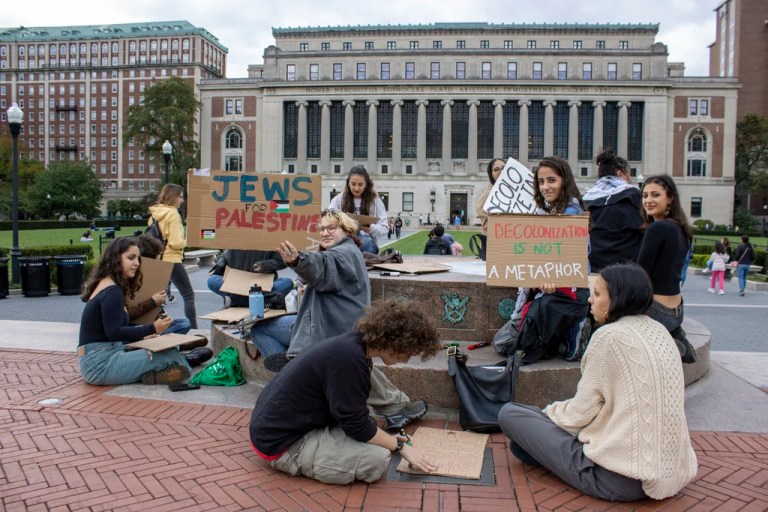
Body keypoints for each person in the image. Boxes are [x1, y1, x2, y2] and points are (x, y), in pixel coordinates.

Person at [498, 263, 697, 501]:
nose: (590, 300)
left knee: (510, 414)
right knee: (524, 442)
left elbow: (578, 415)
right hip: (670, 472)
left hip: (617, 478)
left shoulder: (609, 337)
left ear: (617, 300)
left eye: (598, 294)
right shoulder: (661, 331)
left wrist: (544, 416)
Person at [252, 209, 427, 429]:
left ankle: (290, 368)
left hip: (327, 329)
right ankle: (397, 406)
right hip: (340, 324)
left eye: (331, 228)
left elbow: (322, 266)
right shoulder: (349, 250)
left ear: (346, 230)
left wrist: (298, 260)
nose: (325, 233)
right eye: (321, 228)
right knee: (356, 364)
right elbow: (324, 273)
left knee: (260, 329)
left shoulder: (340, 254)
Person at [249, 299, 439, 484]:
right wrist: (399, 446)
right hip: (281, 444)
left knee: (373, 431)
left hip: (281, 427)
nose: (406, 359)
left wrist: (388, 439)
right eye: (407, 352)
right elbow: (356, 426)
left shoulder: (355, 345)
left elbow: (354, 419)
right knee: (376, 460)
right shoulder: (350, 360)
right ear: (394, 341)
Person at [78, 237, 192, 385]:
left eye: (138, 259)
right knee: (169, 355)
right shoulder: (112, 291)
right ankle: (178, 367)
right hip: (99, 365)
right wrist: (153, 328)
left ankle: (154, 374)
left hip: (102, 357)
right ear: (115, 259)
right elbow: (115, 332)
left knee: (166, 351)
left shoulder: (108, 285)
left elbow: (117, 326)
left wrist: (144, 337)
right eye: (131, 258)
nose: (137, 263)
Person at [527, 156, 590, 361]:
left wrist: (554, 275)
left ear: (564, 180)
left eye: (551, 180)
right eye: (541, 182)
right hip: (564, 286)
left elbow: (576, 252)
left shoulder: (570, 213)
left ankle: (575, 326)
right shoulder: (557, 210)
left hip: (570, 290)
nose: (545, 187)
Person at [637, 175, 694, 362]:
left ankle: (671, 341)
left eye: (655, 195)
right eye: (645, 195)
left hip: (657, 310)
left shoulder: (657, 228)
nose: (648, 200)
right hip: (677, 310)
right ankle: (674, 333)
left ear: (670, 198)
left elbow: (640, 274)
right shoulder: (682, 229)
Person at [582, 148, 644, 272]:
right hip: (626, 272)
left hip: (593, 270)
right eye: (628, 174)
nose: (630, 179)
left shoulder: (585, 200)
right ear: (620, 174)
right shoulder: (635, 197)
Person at [149, 183, 198, 328]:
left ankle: (158, 326)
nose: (182, 200)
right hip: (172, 259)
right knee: (188, 295)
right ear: (173, 197)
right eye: (180, 197)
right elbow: (176, 243)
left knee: (157, 297)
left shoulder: (154, 215)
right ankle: (194, 330)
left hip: (157, 259)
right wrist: (189, 240)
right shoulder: (173, 214)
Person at [329, 166, 388, 254]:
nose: (356, 188)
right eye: (353, 184)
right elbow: (329, 221)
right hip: (344, 242)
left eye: (360, 184)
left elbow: (384, 228)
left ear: (366, 184)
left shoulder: (375, 201)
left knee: (364, 242)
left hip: (367, 245)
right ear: (348, 183)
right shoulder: (338, 200)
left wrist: (370, 228)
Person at [207, 249, 293, 307]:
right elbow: (226, 254)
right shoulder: (234, 234)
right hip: (238, 283)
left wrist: (264, 265)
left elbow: (283, 261)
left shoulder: (269, 238)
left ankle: (236, 300)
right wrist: (222, 261)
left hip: (261, 284)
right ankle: (262, 300)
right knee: (212, 280)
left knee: (288, 282)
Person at [477, 158, 505, 234]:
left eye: (503, 168)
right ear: (491, 174)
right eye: (496, 169)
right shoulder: (488, 193)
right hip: (495, 239)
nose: (501, 171)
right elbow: (482, 213)